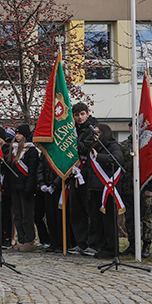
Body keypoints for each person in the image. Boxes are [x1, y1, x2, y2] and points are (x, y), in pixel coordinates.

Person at [84, 123, 125, 259]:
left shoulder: (112, 146)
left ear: (104, 133)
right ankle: (102, 247)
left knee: (109, 222)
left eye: (97, 133)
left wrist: (98, 157)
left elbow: (117, 160)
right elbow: (90, 170)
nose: (95, 135)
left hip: (107, 190)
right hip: (94, 189)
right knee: (97, 221)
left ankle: (112, 249)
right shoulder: (94, 147)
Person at [119, 121, 152, 258]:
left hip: (143, 188)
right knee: (129, 218)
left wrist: (149, 188)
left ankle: (146, 246)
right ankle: (132, 244)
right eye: (132, 127)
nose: (134, 129)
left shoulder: (147, 145)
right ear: (129, 128)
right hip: (127, 189)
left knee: (146, 218)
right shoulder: (123, 146)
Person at [67, 102, 98, 254]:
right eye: (76, 115)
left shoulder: (93, 129)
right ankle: (81, 242)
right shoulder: (72, 129)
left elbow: (85, 148)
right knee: (76, 210)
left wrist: (72, 137)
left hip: (88, 175)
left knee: (90, 210)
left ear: (87, 113)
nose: (79, 118)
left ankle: (92, 243)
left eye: (82, 114)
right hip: (74, 174)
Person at [6, 124, 39, 252]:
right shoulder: (13, 150)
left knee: (27, 216)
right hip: (15, 187)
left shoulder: (31, 151)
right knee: (18, 215)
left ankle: (29, 240)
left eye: (19, 134)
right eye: (16, 134)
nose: (17, 136)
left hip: (26, 188)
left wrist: (28, 188)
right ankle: (21, 239)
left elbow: (32, 172)